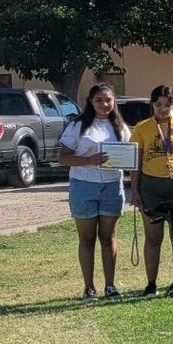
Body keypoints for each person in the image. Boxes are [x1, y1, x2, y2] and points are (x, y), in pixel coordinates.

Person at [57, 82, 129, 301]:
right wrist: (87, 160)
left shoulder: (120, 127)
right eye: (99, 100)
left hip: (112, 186)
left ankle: (110, 286)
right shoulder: (78, 126)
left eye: (108, 100)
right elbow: (63, 157)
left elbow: (128, 156)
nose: (104, 104)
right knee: (87, 239)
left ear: (114, 100)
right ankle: (89, 287)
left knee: (108, 238)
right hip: (83, 185)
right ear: (90, 101)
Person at [128, 84, 173, 296]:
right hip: (151, 189)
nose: (162, 109)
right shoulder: (141, 128)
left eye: (167, 105)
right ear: (152, 105)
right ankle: (151, 284)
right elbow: (135, 163)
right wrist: (135, 190)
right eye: (158, 105)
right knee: (153, 237)